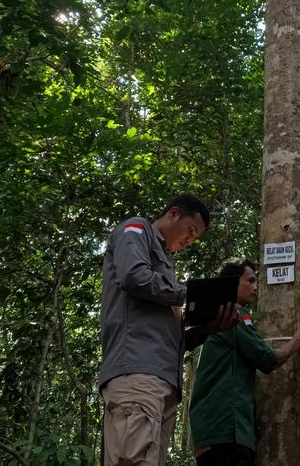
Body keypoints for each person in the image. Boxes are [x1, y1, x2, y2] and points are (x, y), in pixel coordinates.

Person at [99, 195, 236, 466]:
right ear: (174, 213)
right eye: (191, 231)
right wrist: (189, 294)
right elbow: (133, 276)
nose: (189, 241)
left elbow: (171, 338)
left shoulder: (166, 270)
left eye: (194, 239)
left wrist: (208, 328)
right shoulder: (137, 229)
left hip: (162, 383)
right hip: (138, 374)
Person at [189, 258, 300, 466]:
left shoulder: (216, 317)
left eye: (257, 282)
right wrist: (296, 341)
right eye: (250, 281)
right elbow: (267, 359)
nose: (256, 287)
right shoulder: (233, 316)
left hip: (211, 433)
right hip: (227, 432)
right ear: (231, 283)